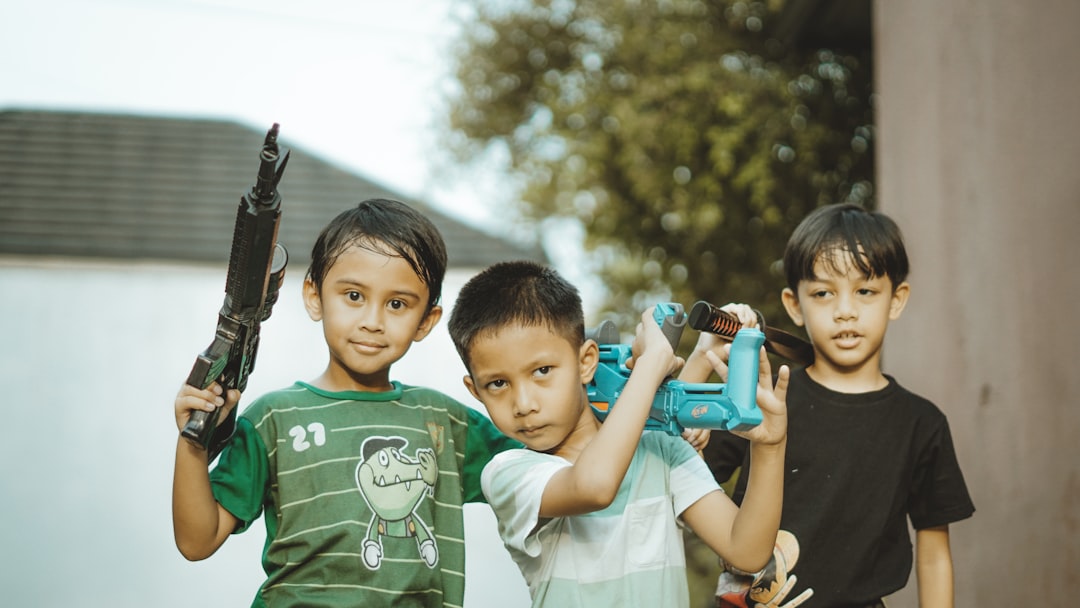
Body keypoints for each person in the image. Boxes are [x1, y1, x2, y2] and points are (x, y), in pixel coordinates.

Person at [171, 198, 521, 608]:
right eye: (354, 295)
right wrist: (193, 445)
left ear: (426, 320)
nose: (372, 320)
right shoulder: (274, 419)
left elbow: (548, 462)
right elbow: (197, 541)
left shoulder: (446, 421)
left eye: (397, 304)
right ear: (314, 296)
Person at [445, 260, 790, 608]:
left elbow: (747, 552)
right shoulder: (508, 473)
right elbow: (595, 486)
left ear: (586, 362)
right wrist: (652, 363)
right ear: (475, 391)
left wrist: (770, 448)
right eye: (498, 383)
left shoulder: (661, 449)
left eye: (542, 370)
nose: (523, 403)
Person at [686, 203, 975, 608]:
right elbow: (679, 470)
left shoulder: (921, 424)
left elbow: (933, 554)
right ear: (793, 304)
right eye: (823, 293)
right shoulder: (763, 403)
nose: (844, 311)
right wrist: (700, 361)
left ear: (896, 298)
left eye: (865, 291)